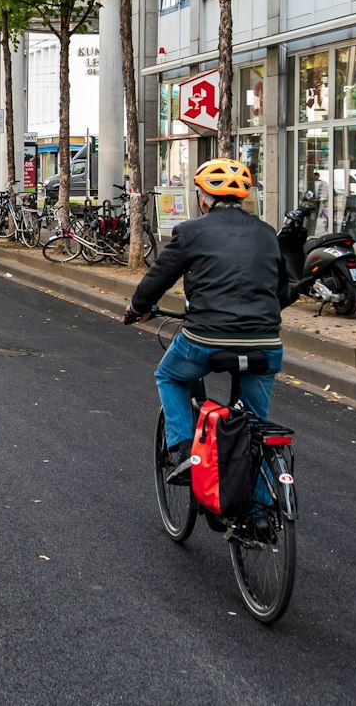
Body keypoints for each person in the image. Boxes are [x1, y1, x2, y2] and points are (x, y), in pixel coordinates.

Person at [122, 159, 288, 507]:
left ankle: (183, 450)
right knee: (256, 423)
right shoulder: (268, 233)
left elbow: (158, 279)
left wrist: (138, 308)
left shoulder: (191, 232)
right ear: (244, 199)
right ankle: (261, 511)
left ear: (202, 198)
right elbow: (283, 291)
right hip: (265, 343)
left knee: (169, 375)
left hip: (207, 339)